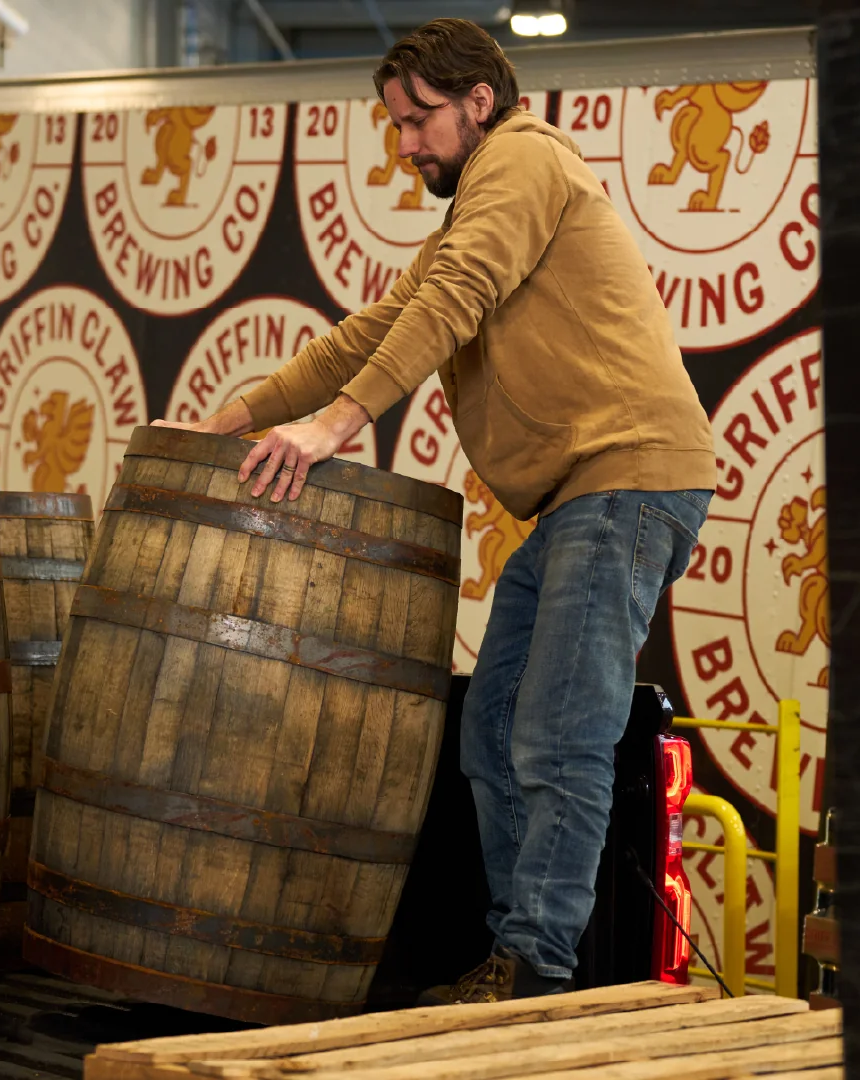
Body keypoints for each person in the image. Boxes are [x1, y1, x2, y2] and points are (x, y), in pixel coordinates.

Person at [154, 18, 716, 1003]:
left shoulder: (523, 162)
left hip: (626, 480)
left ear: (478, 103)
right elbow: (372, 329)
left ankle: (538, 970)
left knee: (557, 735)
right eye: (396, 126)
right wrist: (223, 423)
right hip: (585, 494)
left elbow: (456, 295)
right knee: (493, 727)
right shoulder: (476, 205)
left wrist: (332, 430)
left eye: (418, 121)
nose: (406, 145)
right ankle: (515, 953)